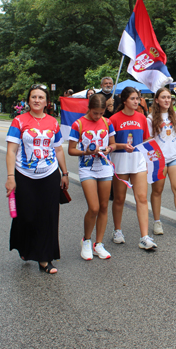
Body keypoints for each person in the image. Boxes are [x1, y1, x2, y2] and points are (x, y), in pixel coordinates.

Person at [5, 84, 69, 274]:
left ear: (47, 102)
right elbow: (11, 150)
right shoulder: (19, 121)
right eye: (33, 97)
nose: (37, 100)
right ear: (28, 100)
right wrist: (10, 177)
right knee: (27, 215)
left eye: (41, 97)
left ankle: (45, 258)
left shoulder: (53, 122)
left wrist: (64, 173)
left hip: (49, 174)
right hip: (24, 175)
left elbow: (58, 149)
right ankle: (24, 245)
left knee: (48, 216)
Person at [68, 94, 117, 260]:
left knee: (104, 206)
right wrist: (86, 152)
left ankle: (99, 243)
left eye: (101, 113)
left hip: (104, 167)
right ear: (89, 108)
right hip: (87, 168)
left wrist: (108, 149)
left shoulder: (107, 122)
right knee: (94, 207)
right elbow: (71, 149)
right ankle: (87, 240)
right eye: (95, 113)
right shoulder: (78, 124)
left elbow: (113, 143)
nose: (98, 116)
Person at [109, 86, 157, 250]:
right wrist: (122, 145)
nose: (136, 101)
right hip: (120, 159)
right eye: (133, 99)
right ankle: (117, 230)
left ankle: (144, 237)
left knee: (142, 198)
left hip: (138, 159)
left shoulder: (142, 117)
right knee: (119, 198)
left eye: (137, 98)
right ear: (124, 101)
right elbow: (111, 145)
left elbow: (146, 139)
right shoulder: (114, 119)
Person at [148, 88, 176, 237]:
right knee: (157, 191)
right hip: (158, 159)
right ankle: (156, 222)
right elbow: (147, 140)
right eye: (163, 97)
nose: (167, 100)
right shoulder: (150, 119)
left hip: (175, 157)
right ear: (156, 100)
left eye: (169, 98)